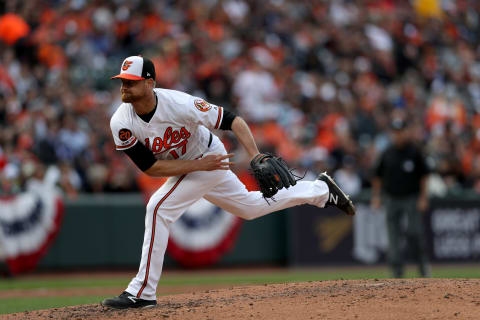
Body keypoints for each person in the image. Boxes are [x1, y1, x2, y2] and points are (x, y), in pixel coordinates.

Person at [101, 56, 355, 309]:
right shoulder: (121, 122)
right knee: (249, 207)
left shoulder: (179, 103)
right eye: (122, 81)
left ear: (149, 83)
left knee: (158, 208)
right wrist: (198, 166)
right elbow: (150, 168)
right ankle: (319, 190)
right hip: (195, 164)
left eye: (130, 82)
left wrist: (255, 154)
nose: (124, 87)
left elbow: (233, 120)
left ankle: (142, 291)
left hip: (209, 155)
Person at [371, 118, 430, 278]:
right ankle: (397, 272)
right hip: (391, 199)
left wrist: (423, 197)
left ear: (406, 132)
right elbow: (377, 176)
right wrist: (376, 197)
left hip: (411, 198)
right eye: (395, 132)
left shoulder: (414, 151)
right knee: (393, 236)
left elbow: (424, 176)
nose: (398, 135)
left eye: (401, 131)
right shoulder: (387, 153)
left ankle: (423, 268)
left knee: (414, 232)